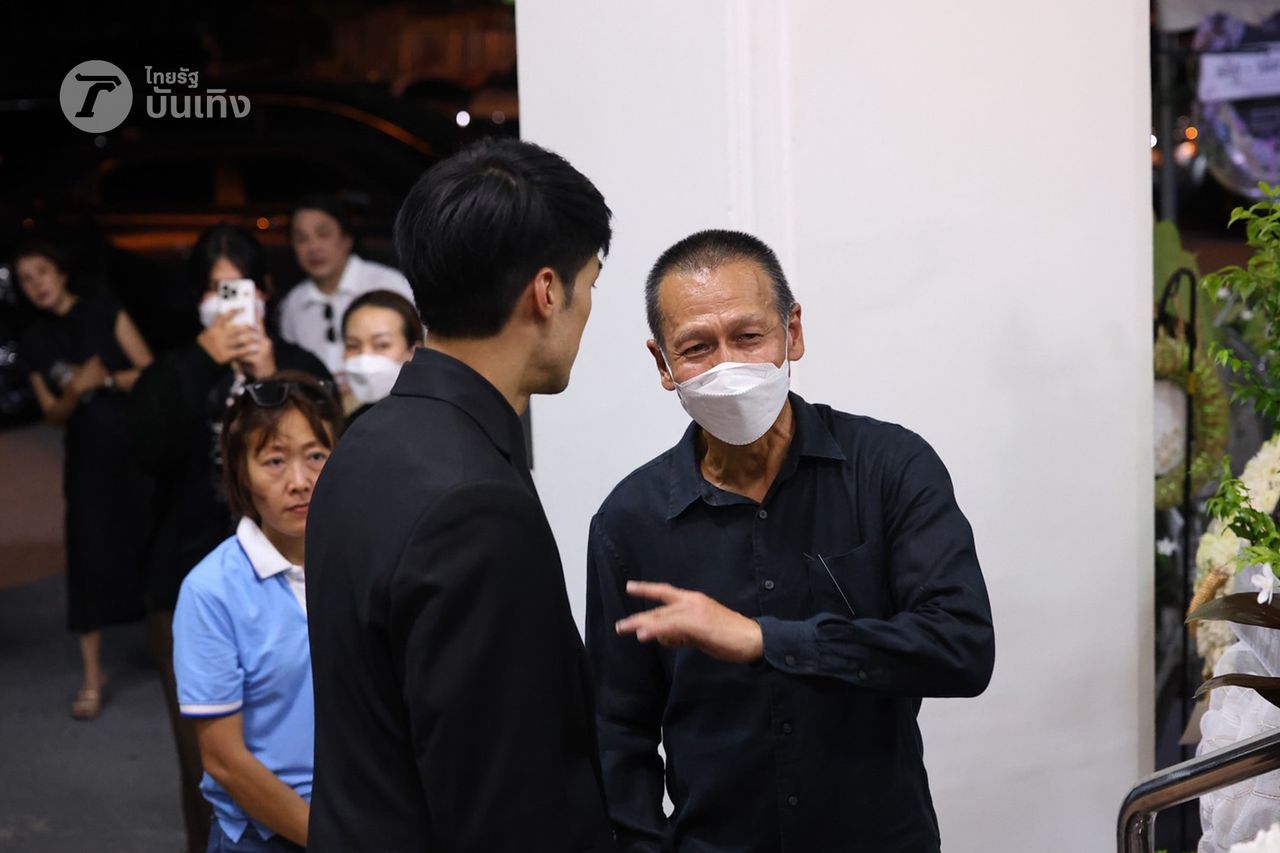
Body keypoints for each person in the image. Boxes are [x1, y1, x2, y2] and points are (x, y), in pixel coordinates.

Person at [586, 230, 996, 853]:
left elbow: (961, 647)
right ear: (663, 365)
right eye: (696, 348)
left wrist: (765, 640)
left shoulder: (888, 467)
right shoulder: (629, 521)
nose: (727, 366)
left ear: (792, 332)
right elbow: (618, 731)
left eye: (749, 336)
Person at [305, 138, 616, 852]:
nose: (588, 309)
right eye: (590, 283)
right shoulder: (474, 504)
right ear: (547, 291)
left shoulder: (368, 440)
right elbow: (503, 804)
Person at [130, 224, 331, 853]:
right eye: (215, 292)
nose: (230, 305)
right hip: (191, 576)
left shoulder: (297, 363)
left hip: (304, 564)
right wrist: (203, 360)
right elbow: (144, 450)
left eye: (240, 288)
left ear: (265, 292)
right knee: (210, 765)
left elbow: (336, 432)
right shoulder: (177, 369)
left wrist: (273, 375)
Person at [173, 371, 342, 853]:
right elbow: (224, 760)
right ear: (240, 474)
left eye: (316, 456)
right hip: (265, 837)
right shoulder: (212, 590)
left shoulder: (363, 561)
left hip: (365, 818)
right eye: (273, 461)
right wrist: (333, 840)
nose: (299, 482)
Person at [15, 238, 154, 720]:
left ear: (60, 271)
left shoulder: (104, 310)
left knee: (150, 544)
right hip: (86, 460)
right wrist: (75, 390)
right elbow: (52, 413)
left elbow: (150, 372)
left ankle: (173, 652)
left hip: (135, 449)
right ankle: (93, 678)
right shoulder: (34, 340)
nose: (36, 284)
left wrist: (107, 379)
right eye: (26, 279)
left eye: (41, 271)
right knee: (87, 555)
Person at [278, 194, 415, 377]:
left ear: (347, 239)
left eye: (323, 234)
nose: (313, 247)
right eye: (302, 238)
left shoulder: (390, 285)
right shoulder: (293, 304)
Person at [339, 289, 423, 421]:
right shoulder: (348, 422)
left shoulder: (435, 416)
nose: (365, 358)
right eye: (353, 345)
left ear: (414, 351)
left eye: (382, 345)